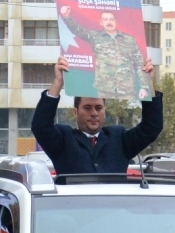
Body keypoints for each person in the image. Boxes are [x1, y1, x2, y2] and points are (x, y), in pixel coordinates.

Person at [30, 55, 163, 176]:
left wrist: (147, 83)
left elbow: (152, 127)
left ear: (104, 111)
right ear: (75, 112)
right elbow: (40, 127)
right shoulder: (63, 140)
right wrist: (58, 82)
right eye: (87, 108)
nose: (94, 113)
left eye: (98, 108)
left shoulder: (120, 138)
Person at [59, 6, 150, 100]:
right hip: (104, 91)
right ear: (101, 22)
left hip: (127, 91)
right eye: (105, 19)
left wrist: (144, 87)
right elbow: (77, 30)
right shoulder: (94, 37)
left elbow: (140, 64)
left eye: (111, 19)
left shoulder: (129, 40)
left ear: (116, 22)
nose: (109, 22)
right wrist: (67, 16)